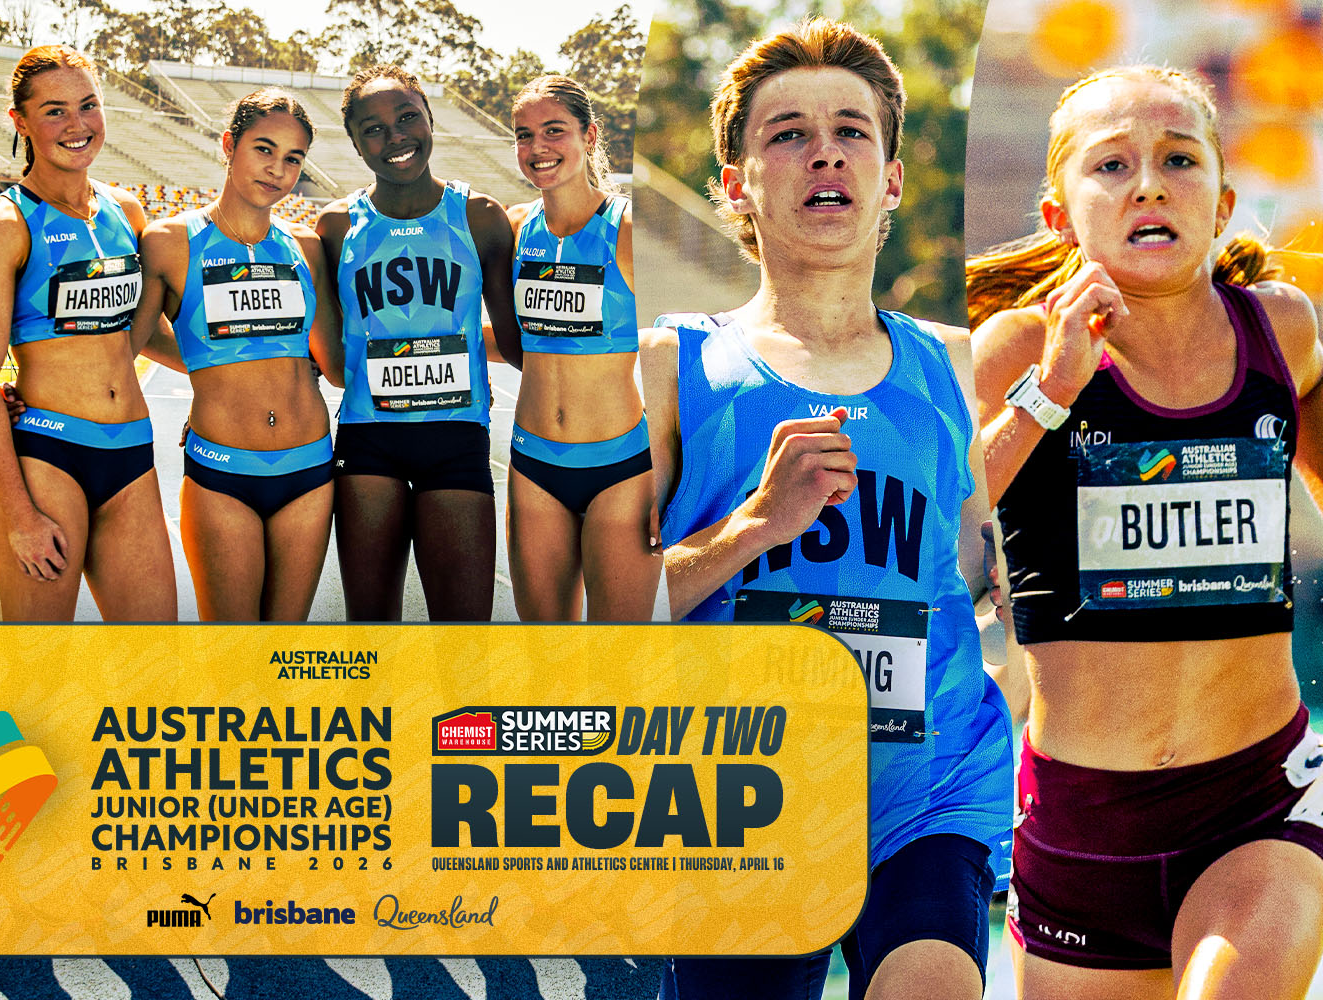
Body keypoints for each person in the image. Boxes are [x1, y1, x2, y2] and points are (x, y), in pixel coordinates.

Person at [646, 20, 1012, 999]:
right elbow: (598, 617)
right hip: (739, 805)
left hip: (924, 798)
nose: (823, 151)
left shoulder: (957, 366)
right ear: (736, 182)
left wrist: (1016, 635)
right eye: (785, 134)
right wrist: (754, 525)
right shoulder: (671, 368)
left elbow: (1006, 572)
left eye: (851, 130)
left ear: (889, 177)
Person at [967, 64, 1323, 999]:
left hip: (1259, 801)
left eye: (1178, 161)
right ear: (1058, 215)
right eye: (1112, 166)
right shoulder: (1015, 345)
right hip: (1082, 827)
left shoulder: (1280, 330)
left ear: (1223, 202)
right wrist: (1055, 386)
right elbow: (955, 522)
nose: (1150, 185)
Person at [0, 44, 177, 622]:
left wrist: (239, 371)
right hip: (47, 457)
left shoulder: (127, 212)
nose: (77, 124)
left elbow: (146, 333)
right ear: (20, 122)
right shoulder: (4, 229)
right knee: (41, 664)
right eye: (55, 110)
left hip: (132, 453)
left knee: (154, 655)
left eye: (88, 105)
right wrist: (18, 516)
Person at [315, 64, 521, 621]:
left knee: (463, 631)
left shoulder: (479, 217)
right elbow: (319, 350)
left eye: (407, 117)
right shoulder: (334, 227)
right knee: (372, 630)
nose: (396, 136)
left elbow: (519, 343)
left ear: (430, 120)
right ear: (356, 145)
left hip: (455, 442)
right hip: (367, 442)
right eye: (374, 129)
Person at [131, 89, 340, 620]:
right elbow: (130, 339)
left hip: (309, 469)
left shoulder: (306, 247)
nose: (277, 169)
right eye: (263, 149)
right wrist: (209, 364)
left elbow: (329, 362)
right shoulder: (170, 241)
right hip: (222, 472)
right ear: (229, 144)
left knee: (281, 650)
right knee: (230, 651)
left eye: (293, 159)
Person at [503, 74, 657, 621]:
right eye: (524, 135)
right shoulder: (518, 228)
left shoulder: (628, 230)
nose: (538, 148)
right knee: (547, 659)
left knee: (615, 658)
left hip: (621, 468)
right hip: (534, 465)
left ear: (589, 135)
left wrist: (673, 470)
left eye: (554, 131)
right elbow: (511, 341)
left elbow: (685, 353)